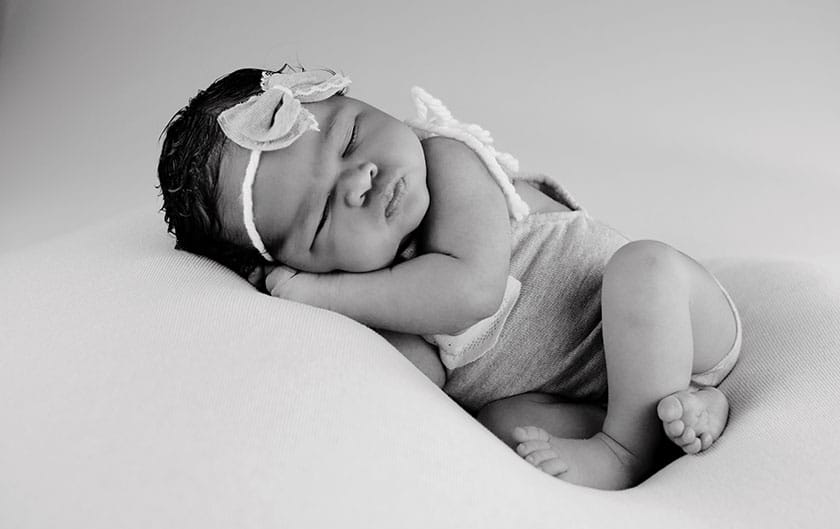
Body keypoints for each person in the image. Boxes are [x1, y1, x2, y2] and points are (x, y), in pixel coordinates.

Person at [157, 65, 742, 490]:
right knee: (502, 429)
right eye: (323, 218)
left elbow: (471, 292)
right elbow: (426, 380)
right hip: (586, 393)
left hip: (682, 325)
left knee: (644, 268)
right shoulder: (374, 291)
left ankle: (626, 450)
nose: (360, 179)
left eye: (351, 138)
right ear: (297, 260)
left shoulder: (446, 161)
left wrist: (320, 293)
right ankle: (676, 413)